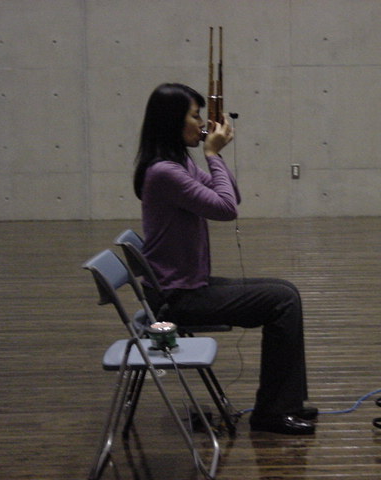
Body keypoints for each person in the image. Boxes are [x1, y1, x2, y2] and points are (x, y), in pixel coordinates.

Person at [133, 83, 317, 435]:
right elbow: (225, 209)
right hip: (176, 299)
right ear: (173, 121)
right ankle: (274, 411)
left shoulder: (179, 164)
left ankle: (283, 404)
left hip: (187, 287)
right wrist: (213, 155)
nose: (202, 123)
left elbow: (233, 196)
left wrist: (213, 157)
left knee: (285, 291)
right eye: (195, 116)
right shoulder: (165, 172)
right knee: (283, 301)